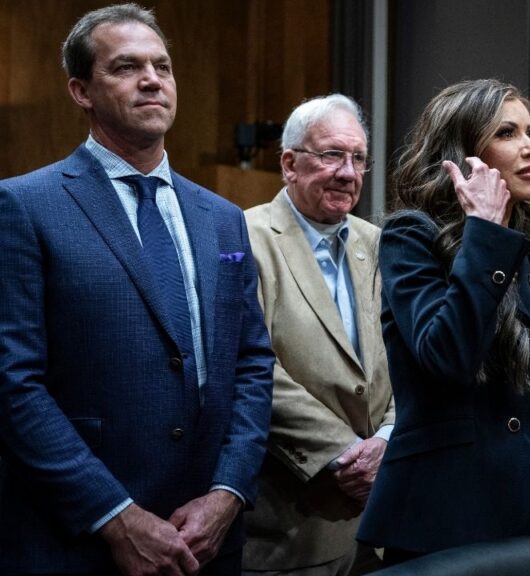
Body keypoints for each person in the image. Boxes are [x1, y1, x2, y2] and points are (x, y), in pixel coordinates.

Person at [0, 4, 275, 575]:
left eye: (163, 67)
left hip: (209, 539)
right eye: (126, 67)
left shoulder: (223, 217)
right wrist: (116, 515)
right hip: (83, 540)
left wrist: (228, 492)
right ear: (81, 90)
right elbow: (13, 383)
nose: (152, 79)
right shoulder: (25, 206)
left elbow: (251, 363)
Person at [357, 79, 530, 570]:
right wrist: (483, 232)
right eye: (507, 133)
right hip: (443, 517)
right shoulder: (411, 235)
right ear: (463, 153)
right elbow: (447, 357)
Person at [242, 95, 395, 575]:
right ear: (289, 163)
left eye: (358, 159)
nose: (348, 173)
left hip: (383, 520)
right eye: (331, 155)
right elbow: (251, 365)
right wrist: (345, 454)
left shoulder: (380, 243)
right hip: (292, 522)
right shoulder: (243, 236)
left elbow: (406, 357)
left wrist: (389, 436)